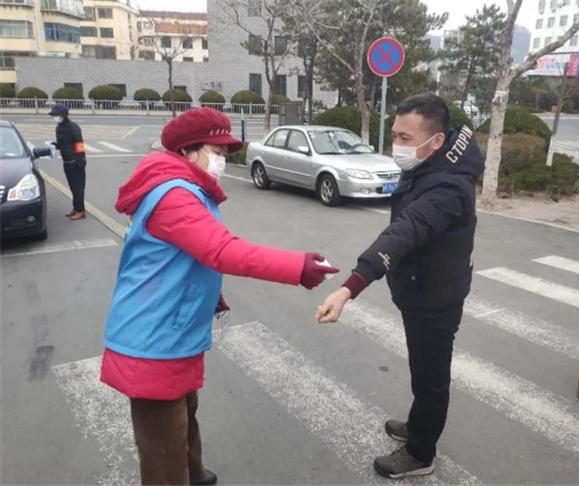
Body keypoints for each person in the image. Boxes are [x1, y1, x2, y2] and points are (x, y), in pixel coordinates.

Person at [100, 108, 339, 485]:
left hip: (170, 331)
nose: (223, 161)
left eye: (227, 153)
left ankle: (192, 474)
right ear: (187, 151)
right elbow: (222, 251)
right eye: (218, 151)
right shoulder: (174, 195)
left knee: (182, 416)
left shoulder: (183, 187)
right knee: (163, 443)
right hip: (152, 340)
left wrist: (209, 295)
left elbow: (183, 260)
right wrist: (296, 267)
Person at [316, 94, 485, 480]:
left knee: (430, 376)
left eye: (406, 138)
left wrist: (349, 288)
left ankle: (421, 452)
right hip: (419, 287)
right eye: (395, 134)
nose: (398, 145)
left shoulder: (447, 188)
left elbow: (405, 233)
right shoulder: (429, 166)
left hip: (435, 297)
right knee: (421, 368)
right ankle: (418, 424)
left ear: (436, 140)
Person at [49, 103, 87, 220]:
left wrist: (80, 160)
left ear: (64, 115)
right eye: (53, 115)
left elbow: (79, 144)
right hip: (66, 162)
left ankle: (81, 211)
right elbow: (63, 144)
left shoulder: (73, 127)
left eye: (56, 115)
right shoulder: (59, 128)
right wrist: (55, 145)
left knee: (78, 188)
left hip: (75, 162)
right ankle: (76, 208)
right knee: (72, 188)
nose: (55, 117)